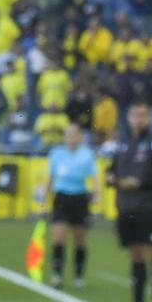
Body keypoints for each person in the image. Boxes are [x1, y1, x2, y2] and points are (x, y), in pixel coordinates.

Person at [106, 102, 152, 302]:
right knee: (134, 255)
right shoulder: (123, 143)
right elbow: (112, 170)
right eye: (135, 115)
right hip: (125, 206)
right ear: (128, 118)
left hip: (146, 206)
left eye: (143, 116)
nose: (138, 120)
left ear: (149, 119)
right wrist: (112, 178)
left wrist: (140, 182)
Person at [46, 121, 99, 289]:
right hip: (61, 198)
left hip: (80, 198)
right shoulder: (56, 154)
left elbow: (95, 177)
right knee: (59, 237)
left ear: (80, 137)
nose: (70, 138)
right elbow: (50, 178)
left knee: (80, 240)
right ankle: (57, 275)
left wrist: (96, 194)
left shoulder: (87, 155)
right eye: (67, 135)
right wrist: (44, 201)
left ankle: (78, 276)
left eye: (73, 135)